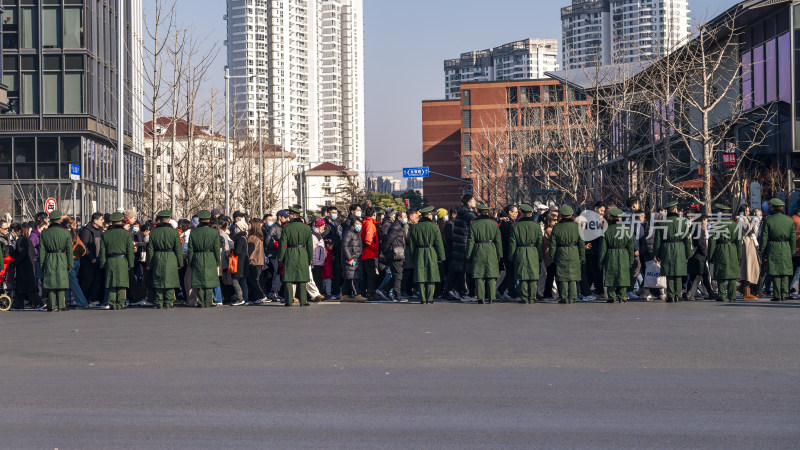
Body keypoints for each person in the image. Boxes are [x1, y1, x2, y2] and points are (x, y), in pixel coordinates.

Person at [653, 200, 692, 302]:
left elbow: (657, 240)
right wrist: (688, 252)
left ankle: (670, 295)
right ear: (675, 210)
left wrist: (656, 254)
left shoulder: (661, 222)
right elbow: (687, 239)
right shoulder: (682, 222)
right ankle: (678, 294)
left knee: (669, 273)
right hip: (680, 247)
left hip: (666, 248)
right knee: (678, 272)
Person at [759, 198, 796, 301]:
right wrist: (792, 250)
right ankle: (785, 294)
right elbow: (793, 237)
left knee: (775, 272)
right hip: (786, 247)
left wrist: (762, 250)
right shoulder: (789, 220)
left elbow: (764, 237)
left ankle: (777, 295)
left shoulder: (768, 220)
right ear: (782, 208)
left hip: (773, 247)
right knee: (785, 272)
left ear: (773, 208)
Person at [466, 204, 503, 304]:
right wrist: (500, 254)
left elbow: (470, 241)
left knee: (479, 275)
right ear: (487, 212)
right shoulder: (494, 224)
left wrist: (468, 255)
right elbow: (498, 241)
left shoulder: (473, 224)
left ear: (478, 212)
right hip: (491, 249)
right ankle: (491, 297)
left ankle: (481, 298)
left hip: (478, 249)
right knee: (491, 275)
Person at [146, 210, 183, 309]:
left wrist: (149, 264)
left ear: (159, 220)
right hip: (171, 256)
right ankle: (169, 301)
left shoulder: (153, 232)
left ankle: (159, 301)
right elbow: (178, 249)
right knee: (170, 280)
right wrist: (180, 262)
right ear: (169, 219)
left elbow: (150, 250)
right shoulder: (174, 232)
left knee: (158, 279)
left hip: (158, 256)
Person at [408, 206, 446, 304]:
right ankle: (430, 298)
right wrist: (441, 257)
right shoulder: (434, 227)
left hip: (419, 252)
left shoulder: (415, 227)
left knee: (420, 276)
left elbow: (412, 244)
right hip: (431, 251)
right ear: (429, 215)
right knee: (431, 275)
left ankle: (423, 298)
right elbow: (439, 243)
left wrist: (413, 257)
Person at [278, 206, 314, 307]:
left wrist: (280, 258)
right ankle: (303, 301)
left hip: (290, 252)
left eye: (289, 214)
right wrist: (310, 258)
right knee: (302, 278)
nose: (288, 216)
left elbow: (282, 244)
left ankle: (288, 301)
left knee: (288, 278)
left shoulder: (286, 228)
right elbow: (310, 245)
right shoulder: (307, 228)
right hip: (303, 253)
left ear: (293, 215)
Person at [98, 212, 134, 310]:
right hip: (122, 260)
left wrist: (103, 264)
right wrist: (131, 264)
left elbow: (102, 252)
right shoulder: (127, 234)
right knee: (122, 283)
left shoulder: (105, 235)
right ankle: (121, 303)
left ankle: (112, 303)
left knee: (111, 283)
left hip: (110, 260)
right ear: (121, 221)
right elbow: (130, 251)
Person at [508, 204, 544, 304]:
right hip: (533, 251)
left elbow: (512, 242)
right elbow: (540, 242)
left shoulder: (515, 226)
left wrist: (511, 257)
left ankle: (524, 298)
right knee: (533, 276)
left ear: (522, 213)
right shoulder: (536, 226)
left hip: (520, 251)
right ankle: (532, 298)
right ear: (531, 213)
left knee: (523, 276)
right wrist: (541, 256)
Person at [186, 210, 221, 308]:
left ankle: (201, 302)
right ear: (209, 219)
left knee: (199, 280)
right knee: (209, 280)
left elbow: (190, 249)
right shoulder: (214, 232)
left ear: (199, 220)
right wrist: (217, 261)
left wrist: (191, 261)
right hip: (210, 257)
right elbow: (217, 249)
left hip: (197, 257)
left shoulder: (193, 232)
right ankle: (209, 302)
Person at [599, 208, 634, 303]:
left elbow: (603, 248)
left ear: (611, 217)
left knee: (610, 275)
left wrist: (601, 261)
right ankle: (622, 296)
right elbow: (631, 247)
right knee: (623, 275)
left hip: (611, 254)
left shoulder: (606, 230)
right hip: (624, 254)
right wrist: (631, 260)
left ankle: (611, 296)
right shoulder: (627, 230)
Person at [551, 205, 585, 304]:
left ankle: (564, 297)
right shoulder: (577, 227)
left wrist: (552, 257)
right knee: (573, 275)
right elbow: (581, 244)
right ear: (571, 215)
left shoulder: (556, 227)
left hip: (561, 252)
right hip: (574, 251)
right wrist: (582, 256)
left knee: (562, 275)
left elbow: (553, 245)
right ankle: (573, 297)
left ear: (561, 215)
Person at [707, 204, 742, 302]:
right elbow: (739, 242)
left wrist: (710, 255)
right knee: (732, 275)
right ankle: (732, 296)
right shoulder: (735, 225)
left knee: (721, 274)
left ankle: (721, 296)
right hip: (733, 249)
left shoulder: (716, 225)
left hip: (720, 249)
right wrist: (739, 255)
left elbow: (712, 242)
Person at [40, 211, 73, 312]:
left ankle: (51, 305)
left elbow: (41, 251)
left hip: (49, 257)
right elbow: (69, 250)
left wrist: (42, 264)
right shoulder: (66, 232)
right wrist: (70, 263)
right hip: (62, 257)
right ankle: (62, 305)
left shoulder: (44, 233)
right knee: (61, 281)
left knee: (51, 282)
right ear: (59, 220)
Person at [446, 194, 478, 300]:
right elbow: (479, 224)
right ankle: (463, 293)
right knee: (465, 270)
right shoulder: (469, 214)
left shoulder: (461, 212)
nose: (475, 202)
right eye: (473, 200)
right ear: (468, 203)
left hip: (459, 245)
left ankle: (457, 291)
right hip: (465, 245)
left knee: (461, 270)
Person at [11, 223, 45, 310]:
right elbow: (33, 252)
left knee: (22, 287)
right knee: (28, 287)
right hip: (30, 266)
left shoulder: (20, 240)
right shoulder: (28, 240)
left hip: (23, 267)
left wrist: (14, 262)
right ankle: (20, 306)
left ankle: (36, 303)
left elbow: (21, 253)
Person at [685, 214, 715, 301]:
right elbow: (700, 243)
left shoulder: (693, 228)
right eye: (705, 220)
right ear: (701, 220)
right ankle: (691, 293)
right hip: (699, 256)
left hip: (694, 256)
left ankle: (709, 293)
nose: (706, 222)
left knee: (696, 276)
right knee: (702, 275)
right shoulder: (699, 229)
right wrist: (706, 254)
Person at [79, 212, 105, 308]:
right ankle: (83, 300)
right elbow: (83, 246)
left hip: (98, 260)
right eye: (101, 219)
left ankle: (93, 299)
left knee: (96, 281)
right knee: (87, 281)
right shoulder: (87, 230)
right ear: (95, 220)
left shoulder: (100, 230)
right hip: (88, 261)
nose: (103, 221)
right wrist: (91, 257)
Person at [582, 201, 606, 301]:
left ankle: (594, 291)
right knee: (593, 272)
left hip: (594, 249)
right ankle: (592, 291)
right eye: (601, 210)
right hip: (592, 249)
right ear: (596, 208)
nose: (602, 213)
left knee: (594, 272)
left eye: (604, 211)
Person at [379, 210, 405, 301]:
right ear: (399, 217)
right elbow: (388, 240)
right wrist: (385, 252)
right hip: (395, 253)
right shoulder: (396, 227)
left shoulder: (398, 225)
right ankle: (397, 295)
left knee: (396, 275)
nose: (405, 218)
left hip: (397, 253)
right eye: (404, 217)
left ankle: (385, 290)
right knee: (398, 275)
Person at [736, 204, 760, 299]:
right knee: (747, 267)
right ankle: (746, 291)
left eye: (748, 211)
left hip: (750, 244)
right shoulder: (741, 220)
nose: (748, 212)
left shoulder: (746, 219)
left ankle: (744, 289)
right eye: (746, 211)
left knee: (749, 267)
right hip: (746, 244)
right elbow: (749, 230)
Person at [341, 218, 366, 302]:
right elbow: (344, 246)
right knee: (353, 277)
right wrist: (349, 258)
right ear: (352, 224)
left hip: (356, 258)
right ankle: (357, 295)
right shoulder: (349, 233)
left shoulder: (357, 234)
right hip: (351, 258)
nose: (359, 225)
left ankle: (344, 295)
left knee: (349, 276)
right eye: (357, 223)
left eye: (360, 224)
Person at [497, 204, 520, 300]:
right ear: (510, 212)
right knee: (511, 272)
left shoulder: (510, 222)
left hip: (509, 250)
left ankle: (501, 290)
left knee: (512, 272)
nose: (517, 214)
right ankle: (510, 293)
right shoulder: (506, 223)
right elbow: (509, 239)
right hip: (508, 251)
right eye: (515, 212)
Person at [245, 218, 268, 305]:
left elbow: (251, 251)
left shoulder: (252, 237)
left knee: (253, 280)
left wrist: (248, 260)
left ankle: (260, 295)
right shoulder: (259, 236)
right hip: (259, 261)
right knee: (255, 279)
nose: (248, 226)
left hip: (254, 261)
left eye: (250, 224)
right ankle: (255, 297)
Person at [360, 207, 380, 300]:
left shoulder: (365, 222)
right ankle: (370, 293)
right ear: (374, 214)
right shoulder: (370, 224)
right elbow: (368, 240)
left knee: (365, 274)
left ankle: (363, 292)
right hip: (369, 253)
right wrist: (375, 247)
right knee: (371, 275)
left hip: (365, 253)